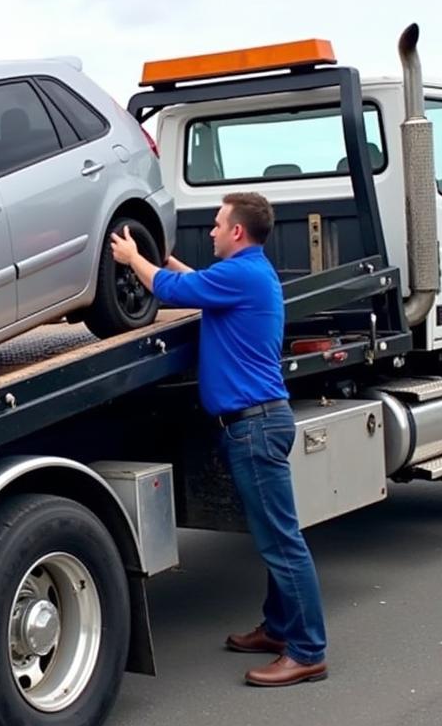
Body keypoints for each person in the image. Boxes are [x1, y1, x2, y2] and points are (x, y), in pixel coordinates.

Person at [110, 192, 327, 686]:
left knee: (282, 543)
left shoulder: (243, 275)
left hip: (254, 427)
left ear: (237, 232)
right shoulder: (249, 273)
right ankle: (278, 629)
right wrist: (161, 258)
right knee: (276, 536)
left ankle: (308, 651)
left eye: (216, 224)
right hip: (258, 424)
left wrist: (134, 259)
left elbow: (173, 290)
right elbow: (195, 283)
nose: (209, 230)